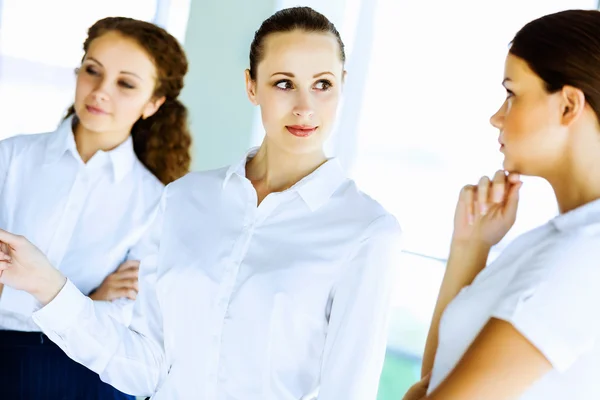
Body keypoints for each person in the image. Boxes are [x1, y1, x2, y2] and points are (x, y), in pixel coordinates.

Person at [0, 6, 401, 400]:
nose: (304, 106)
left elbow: (348, 391)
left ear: (342, 84)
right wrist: (46, 284)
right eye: (283, 83)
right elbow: (146, 368)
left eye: (322, 84)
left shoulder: (366, 231)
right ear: (251, 86)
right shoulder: (184, 198)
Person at [401, 9, 600, 400]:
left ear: (568, 106)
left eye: (512, 94)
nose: (496, 117)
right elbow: (439, 377)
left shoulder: (585, 255)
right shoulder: (551, 241)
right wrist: (470, 246)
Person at [0, 16, 192, 400]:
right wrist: (87, 300)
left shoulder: (158, 203)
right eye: (92, 71)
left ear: (153, 103)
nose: (100, 91)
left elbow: (125, 325)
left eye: (125, 84)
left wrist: (24, 287)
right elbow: (102, 313)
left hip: (90, 379)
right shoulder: (10, 158)